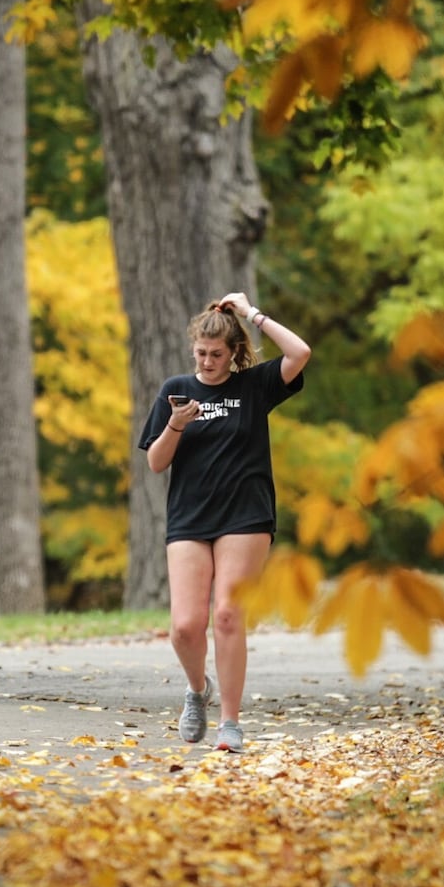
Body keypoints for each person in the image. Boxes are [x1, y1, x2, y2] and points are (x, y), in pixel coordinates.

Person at [138, 291, 311, 753]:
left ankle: (230, 723)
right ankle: (198, 690)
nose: (209, 362)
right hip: (190, 517)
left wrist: (252, 313)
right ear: (192, 349)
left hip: (245, 515)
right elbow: (156, 463)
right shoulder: (176, 390)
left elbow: (300, 353)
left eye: (217, 354)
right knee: (185, 627)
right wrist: (176, 424)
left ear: (233, 352)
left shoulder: (254, 386)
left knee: (229, 615)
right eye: (201, 353)